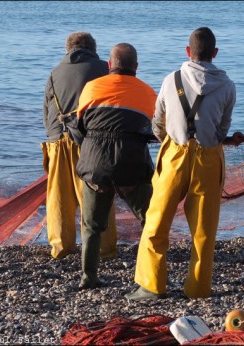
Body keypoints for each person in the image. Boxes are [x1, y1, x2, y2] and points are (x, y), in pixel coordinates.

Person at [125, 27, 236, 301]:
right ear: (215, 53)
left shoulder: (170, 79)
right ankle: (197, 288)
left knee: (157, 220)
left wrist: (168, 141)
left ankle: (152, 285)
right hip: (209, 155)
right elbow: (223, 127)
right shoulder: (227, 85)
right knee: (204, 226)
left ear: (188, 52)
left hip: (175, 152)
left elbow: (158, 122)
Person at [75, 43, 157, 289]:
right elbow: (155, 129)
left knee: (91, 226)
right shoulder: (148, 93)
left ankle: (88, 276)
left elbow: (81, 127)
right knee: (150, 220)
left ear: (110, 65)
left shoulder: (91, 88)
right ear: (136, 67)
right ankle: (146, 275)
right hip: (132, 165)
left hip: (95, 166)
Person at [41, 32, 118, 260]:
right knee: (97, 196)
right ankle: (103, 249)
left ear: (68, 49)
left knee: (59, 199)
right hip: (90, 142)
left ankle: (61, 248)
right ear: (93, 49)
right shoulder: (105, 69)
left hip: (57, 142)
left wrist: (56, 136)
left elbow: (47, 114)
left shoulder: (54, 73)